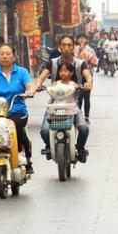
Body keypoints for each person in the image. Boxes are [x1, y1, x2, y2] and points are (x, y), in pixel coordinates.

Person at [0, 43, 36, 174]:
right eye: (2, 54)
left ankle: (26, 159)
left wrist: (30, 91)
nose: (5, 56)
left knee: (17, 128)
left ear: (14, 57)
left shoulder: (22, 72)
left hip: (18, 110)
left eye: (8, 54)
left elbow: (30, 85)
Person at [36, 35, 92, 163]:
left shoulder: (80, 63)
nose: (66, 48)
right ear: (59, 47)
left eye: (69, 45)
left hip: (73, 105)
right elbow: (42, 77)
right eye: (63, 45)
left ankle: (81, 149)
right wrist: (37, 85)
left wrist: (88, 83)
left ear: (73, 47)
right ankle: (49, 147)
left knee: (84, 129)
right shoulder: (52, 63)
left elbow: (88, 76)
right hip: (54, 105)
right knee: (44, 131)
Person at [74, 33, 98, 123]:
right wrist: (79, 52)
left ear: (86, 40)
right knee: (78, 97)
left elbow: (95, 61)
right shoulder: (74, 49)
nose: (82, 40)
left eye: (83, 38)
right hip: (77, 75)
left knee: (87, 97)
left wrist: (90, 61)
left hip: (88, 75)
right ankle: (79, 116)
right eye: (80, 38)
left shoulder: (90, 50)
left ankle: (86, 116)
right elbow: (73, 61)